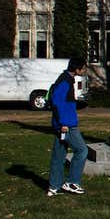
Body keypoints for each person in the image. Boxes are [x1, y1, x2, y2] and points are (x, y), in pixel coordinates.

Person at [47, 57, 88, 196]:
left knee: (59, 156)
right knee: (82, 151)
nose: (84, 70)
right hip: (67, 125)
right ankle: (72, 182)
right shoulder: (65, 81)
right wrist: (63, 123)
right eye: (83, 68)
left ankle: (54, 187)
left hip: (62, 123)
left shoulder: (66, 79)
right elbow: (58, 102)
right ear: (77, 69)